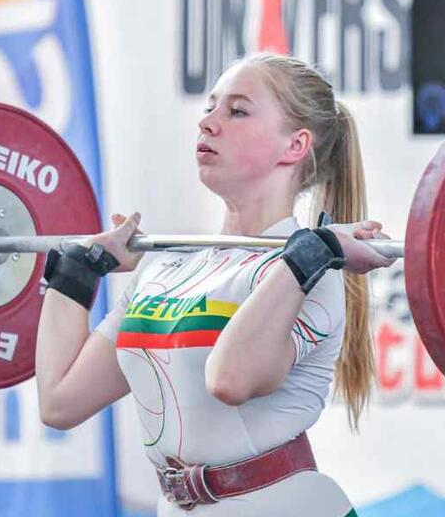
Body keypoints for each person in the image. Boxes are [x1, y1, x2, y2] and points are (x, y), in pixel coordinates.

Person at [35, 53, 394, 516]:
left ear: (294, 145)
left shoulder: (313, 276)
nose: (207, 122)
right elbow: (61, 402)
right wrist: (78, 272)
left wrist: (314, 251)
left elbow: (229, 379)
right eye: (210, 106)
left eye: (237, 111)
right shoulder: (166, 267)